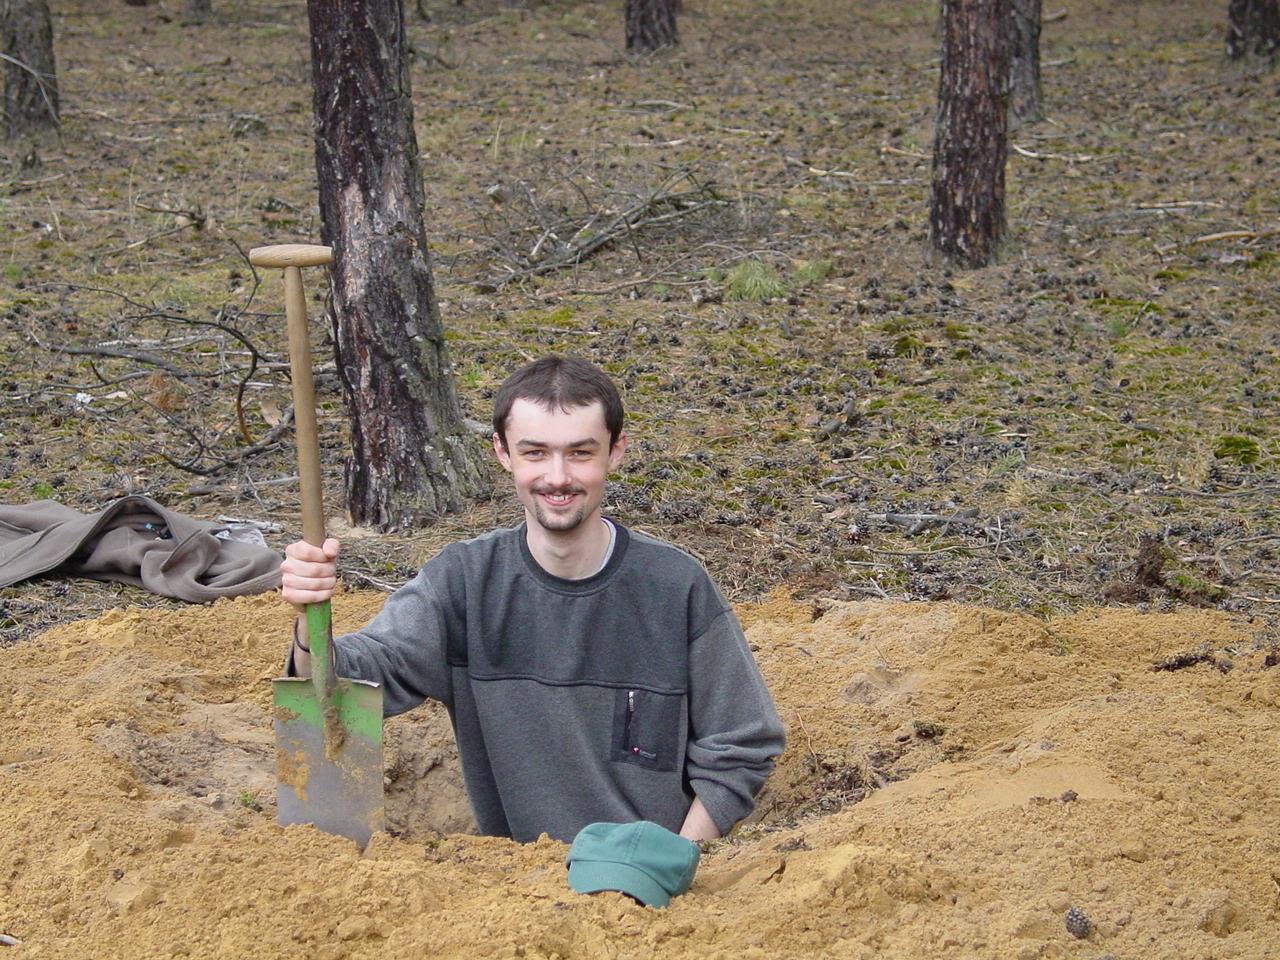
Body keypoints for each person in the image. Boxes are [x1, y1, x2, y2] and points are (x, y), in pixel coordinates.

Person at [281, 356, 785, 844]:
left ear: (616, 451)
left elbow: (743, 743)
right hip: (519, 897)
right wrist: (311, 628)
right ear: (503, 453)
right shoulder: (463, 583)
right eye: (536, 452)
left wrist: (677, 856)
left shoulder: (675, 588)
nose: (558, 477)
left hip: (650, 897)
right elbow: (349, 685)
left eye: (581, 452)